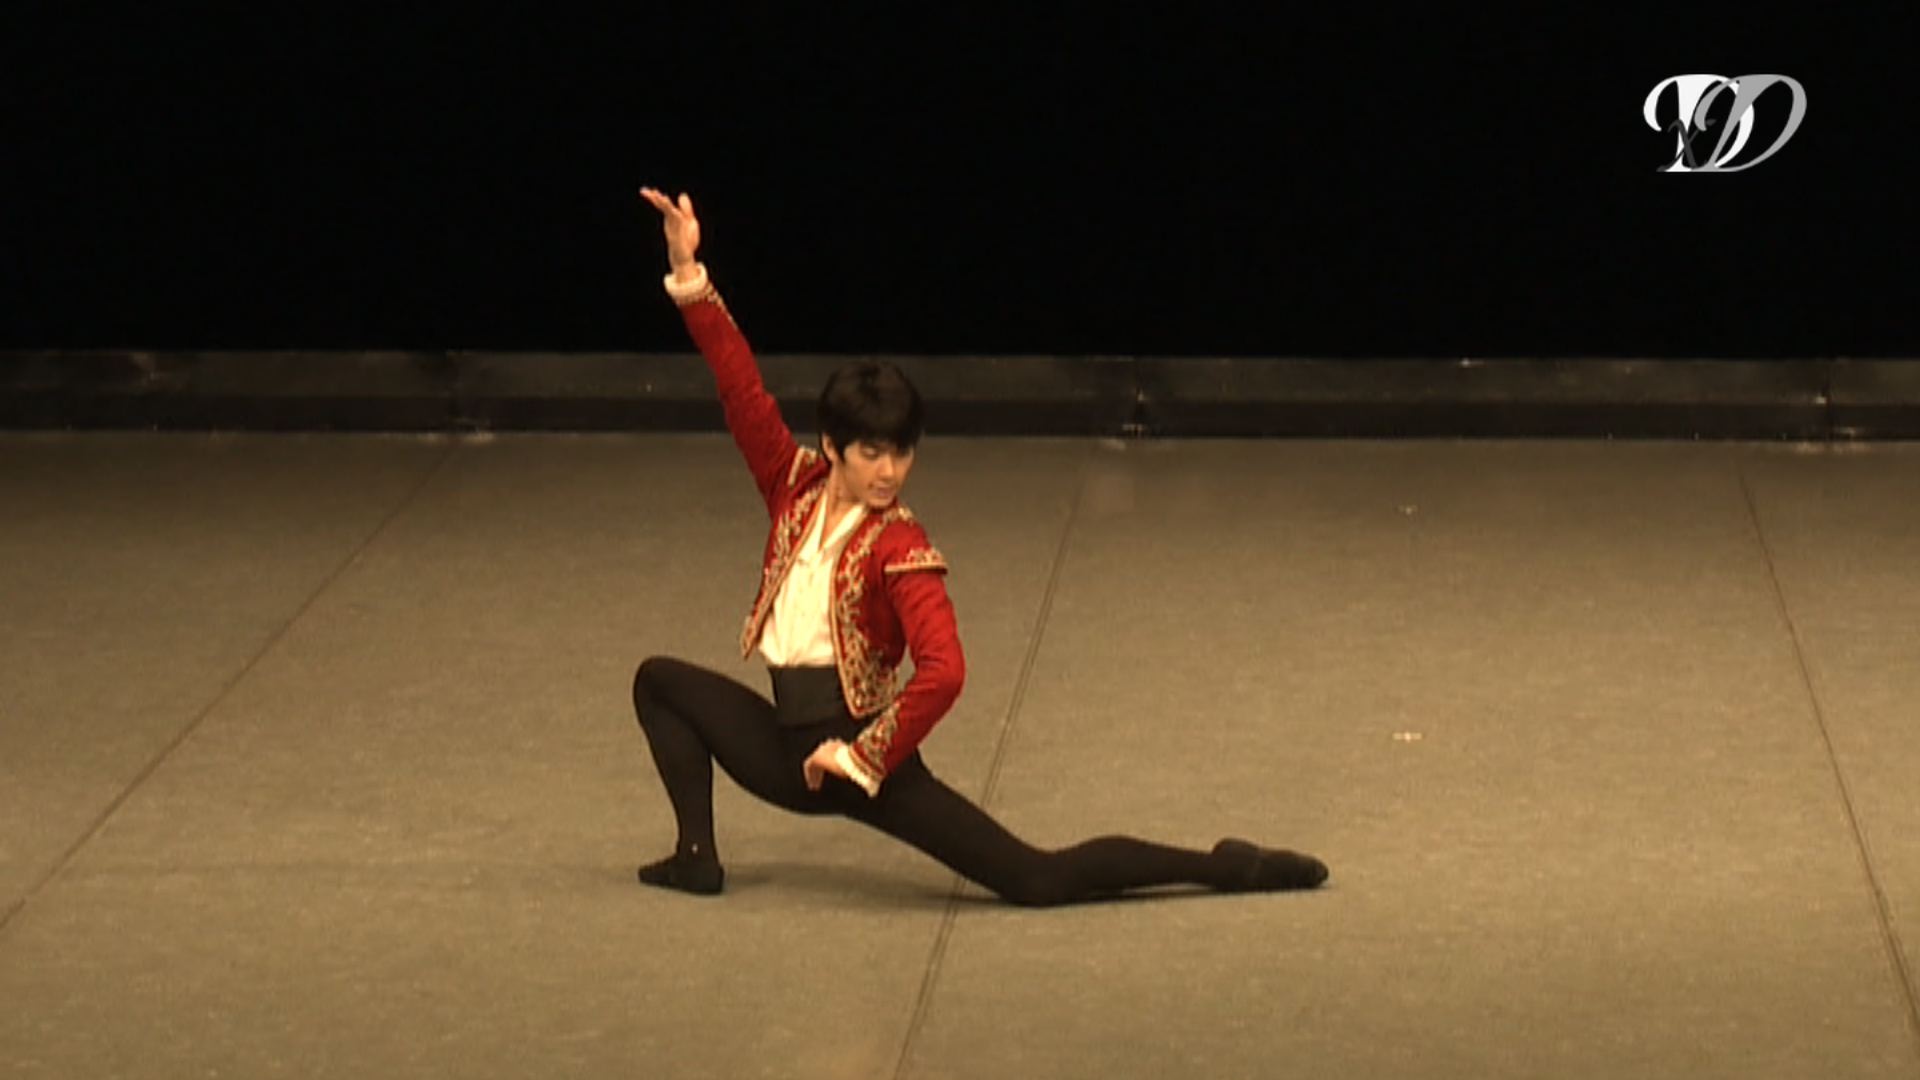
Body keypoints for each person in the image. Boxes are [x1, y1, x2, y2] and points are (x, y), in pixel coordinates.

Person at [630, 186, 1329, 906]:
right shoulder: (793, 483)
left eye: (902, 453)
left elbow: (946, 671)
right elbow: (741, 388)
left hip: (863, 760)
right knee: (660, 682)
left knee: (1036, 878)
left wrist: (863, 755)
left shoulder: (899, 545)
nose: (890, 471)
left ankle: (1226, 865)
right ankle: (695, 857)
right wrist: (689, 274)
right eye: (872, 453)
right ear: (831, 447)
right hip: (786, 748)